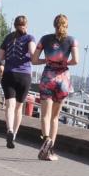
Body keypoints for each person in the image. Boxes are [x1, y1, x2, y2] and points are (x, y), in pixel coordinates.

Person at [31, 14, 78, 161]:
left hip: (48, 77)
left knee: (45, 115)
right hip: (63, 79)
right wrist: (63, 63)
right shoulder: (72, 40)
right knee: (55, 118)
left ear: (54, 24)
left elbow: (33, 60)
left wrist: (47, 60)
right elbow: (76, 61)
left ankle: (46, 139)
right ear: (66, 25)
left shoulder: (45, 39)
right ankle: (50, 151)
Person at [0, 15, 36, 149]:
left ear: (14, 25)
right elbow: (32, 54)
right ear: (26, 25)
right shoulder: (30, 38)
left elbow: (0, 56)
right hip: (24, 75)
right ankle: (14, 135)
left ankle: (9, 129)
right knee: (19, 107)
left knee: (9, 106)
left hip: (9, 74)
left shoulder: (8, 38)